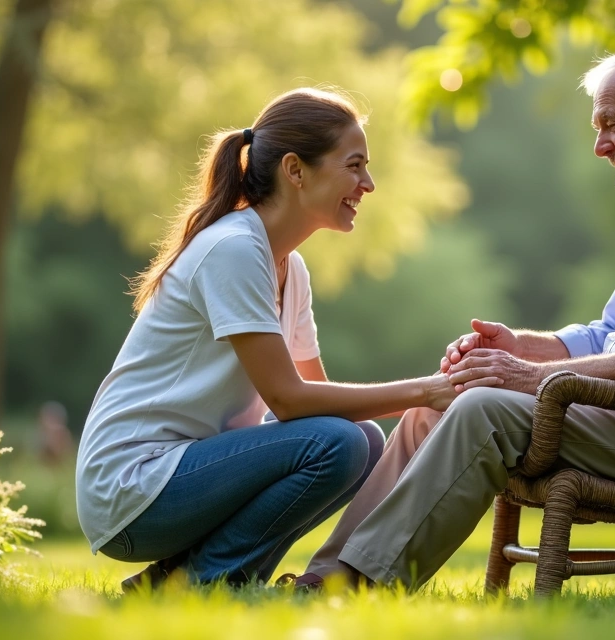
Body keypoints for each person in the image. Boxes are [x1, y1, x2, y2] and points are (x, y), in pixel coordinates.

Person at [298, 42, 615, 590]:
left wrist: (533, 377)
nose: (600, 146)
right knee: (439, 401)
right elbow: (611, 334)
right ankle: (322, 579)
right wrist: (521, 347)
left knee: (483, 410)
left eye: (612, 124)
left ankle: (357, 588)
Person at [75, 88, 484, 590]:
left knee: (360, 440)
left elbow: (318, 402)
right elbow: (289, 401)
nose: (368, 184)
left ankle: (181, 582)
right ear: (295, 170)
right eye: (354, 166)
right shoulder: (233, 249)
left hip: (182, 475)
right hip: (132, 488)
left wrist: (429, 399)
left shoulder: (290, 267)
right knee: (340, 444)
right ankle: (204, 581)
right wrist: (426, 391)